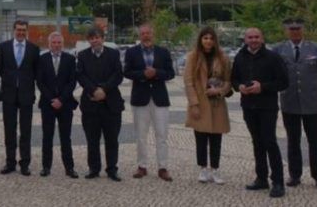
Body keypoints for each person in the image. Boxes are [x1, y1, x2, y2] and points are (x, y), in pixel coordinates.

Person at [232, 27, 289, 198]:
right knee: (257, 142)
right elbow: (233, 78)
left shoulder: (273, 57)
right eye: (250, 37)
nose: (254, 39)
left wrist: (262, 87)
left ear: (262, 38)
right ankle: (261, 178)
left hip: (267, 107)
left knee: (270, 142)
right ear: (245, 39)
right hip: (248, 106)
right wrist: (239, 86)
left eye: (257, 36)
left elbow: (284, 82)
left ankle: (278, 182)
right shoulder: (240, 57)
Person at [273, 18, 317, 191]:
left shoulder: (316, 49)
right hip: (290, 102)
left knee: (315, 141)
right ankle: (295, 175)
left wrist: (313, 88)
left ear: (303, 30)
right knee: (293, 140)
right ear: (286, 31)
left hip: (312, 103)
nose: (295, 32)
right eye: (291, 29)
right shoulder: (279, 50)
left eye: (298, 29)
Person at [124, 23, 175, 181]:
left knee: (162, 135)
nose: (146, 36)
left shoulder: (163, 51)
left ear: (153, 34)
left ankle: (163, 167)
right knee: (141, 135)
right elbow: (126, 72)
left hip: (160, 99)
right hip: (140, 98)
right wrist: (143, 74)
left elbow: (171, 73)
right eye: (143, 33)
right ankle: (142, 166)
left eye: (148, 33)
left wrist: (156, 73)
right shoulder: (131, 52)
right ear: (140, 35)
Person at [184, 26, 231, 185]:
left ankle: (215, 169)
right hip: (201, 102)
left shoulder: (223, 57)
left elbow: (228, 81)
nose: (208, 41)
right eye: (205, 38)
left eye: (211, 38)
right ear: (200, 40)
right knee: (201, 137)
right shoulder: (193, 57)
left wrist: (219, 91)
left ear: (215, 40)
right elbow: (188, 82)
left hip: (217, 103)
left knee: (216, 137)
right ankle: (203, 168)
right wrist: (194, 104)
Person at [76, 27, 124, 181]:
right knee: (92, 140)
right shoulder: (82, 55)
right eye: (91, 38)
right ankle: (94, 169)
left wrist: (104, 89)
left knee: (112, 140)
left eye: (97, 37)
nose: (94, 40)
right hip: (90, 103)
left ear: (103, 38)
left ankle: (112, 169)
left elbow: (118, 75)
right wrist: (94, 90)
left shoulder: (114, 54)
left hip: (111, 104)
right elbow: (81, 76)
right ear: (88, 40)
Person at [0, 19, 40, 176]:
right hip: (8, 94)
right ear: (13, 30)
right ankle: (10, 162)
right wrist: (11, 82)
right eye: (18, 30)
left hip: (26, 95)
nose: (21, 32)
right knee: (9, 130)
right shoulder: (4, 47)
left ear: (26, 31)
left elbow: (36, 71)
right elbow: (0, 69)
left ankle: (25, 163)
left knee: (26, 130)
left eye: (23, 30)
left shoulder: (34, 49)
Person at [36, 32, 78, 178]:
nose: (56, 45)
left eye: (59, 42)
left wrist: (61, 99)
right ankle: (46, 167)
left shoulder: (70, 59)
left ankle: (69, 167)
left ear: (63, 44)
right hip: (47, 104)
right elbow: (40, 82)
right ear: (49, 44)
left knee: (65, 137)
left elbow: (72, 82)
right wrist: (52, 99)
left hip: (65, 104)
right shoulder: (42, 59)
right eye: (54, 42)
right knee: (47, 136)